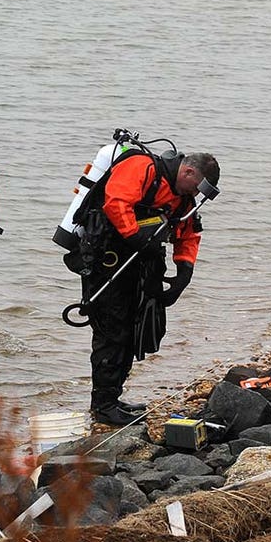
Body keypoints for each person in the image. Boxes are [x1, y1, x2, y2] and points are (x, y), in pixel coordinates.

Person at [79, 148, 219, 426]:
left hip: (141, 264)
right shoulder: (142, 167)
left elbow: (189, 233)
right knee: (112, 330)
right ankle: (103, 404)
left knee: (136, 329)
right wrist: (136, 237)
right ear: (189, 172)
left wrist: (184, 271)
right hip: (109, 261)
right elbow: (116, 203)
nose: (196, 195)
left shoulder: (182, 195)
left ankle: (113, 397)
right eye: (197, 186)